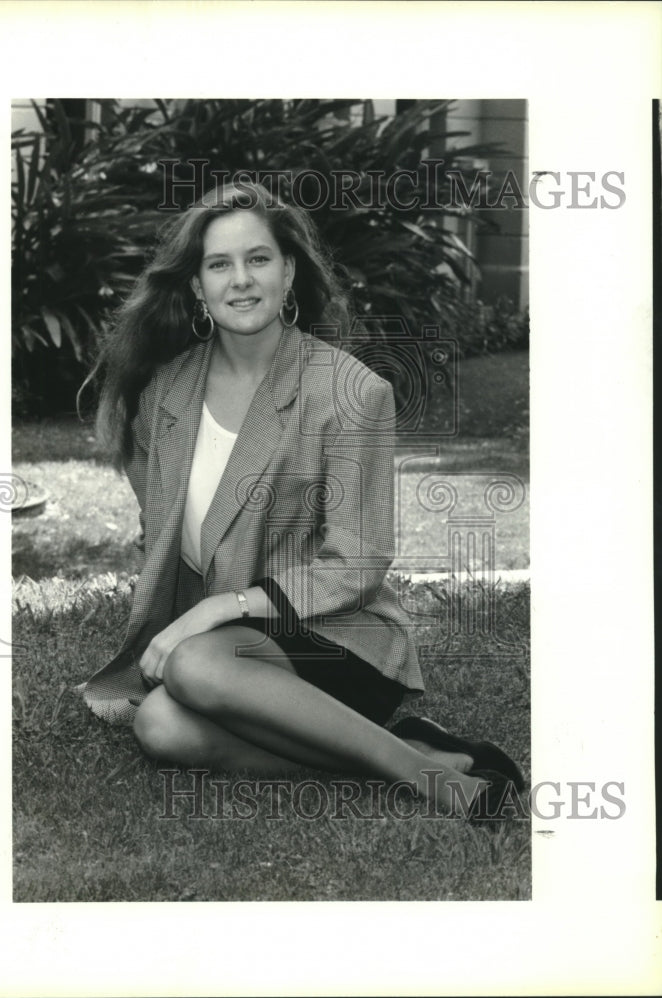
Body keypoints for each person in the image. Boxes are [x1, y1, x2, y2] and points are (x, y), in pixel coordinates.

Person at [78, 180, 524, 823]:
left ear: (288, 272)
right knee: (162, 729)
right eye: (219, 264)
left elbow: (357, 563)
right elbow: (165, 543)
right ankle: (406, 752)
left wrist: (213, 614)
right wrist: (186, 622)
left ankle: (432, 782)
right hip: (235, 650)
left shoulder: (349, 391)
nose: (241, 280)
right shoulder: (165, 393)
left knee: (197, 664)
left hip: (337, 637)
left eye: (258, 259)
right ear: (196, 287)